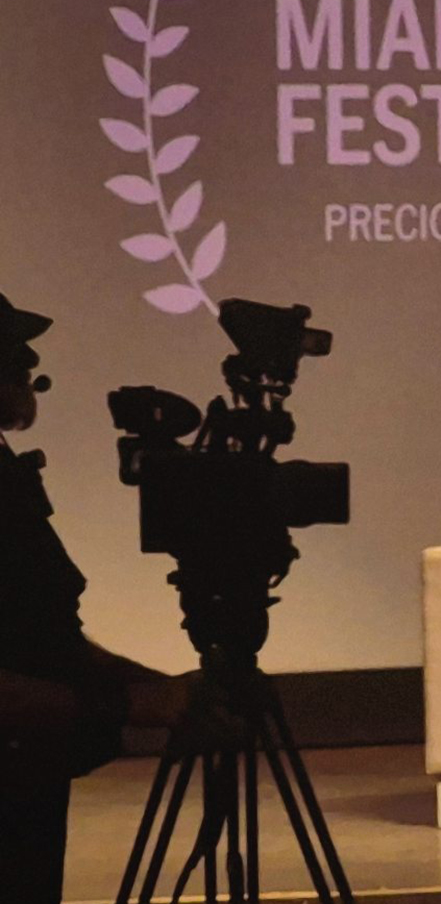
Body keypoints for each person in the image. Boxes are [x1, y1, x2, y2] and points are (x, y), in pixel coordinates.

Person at [0, 292, 189, 903]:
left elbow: (39, 633)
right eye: (9, 348)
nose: (28, 360)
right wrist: (128, 704)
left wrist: (149, 688)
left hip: (26, 776)